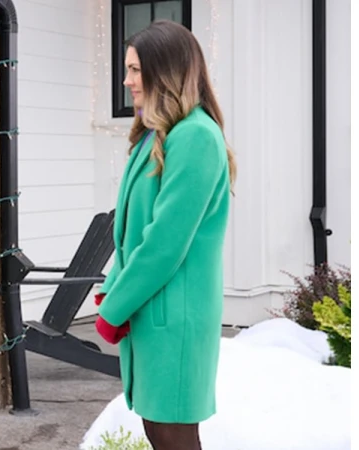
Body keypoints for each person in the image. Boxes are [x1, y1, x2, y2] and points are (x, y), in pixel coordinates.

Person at [94, 19, 237, 450]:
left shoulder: (194, 137)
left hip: (177, 316)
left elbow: (163, 243)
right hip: (155, 312)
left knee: (172, 435)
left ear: (166, 71)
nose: (127, 81)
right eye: (128, 69)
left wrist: (114, 307)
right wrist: (113, 290)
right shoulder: (158, 134)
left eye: (136, 69)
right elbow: (131, 234)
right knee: (160, 431)